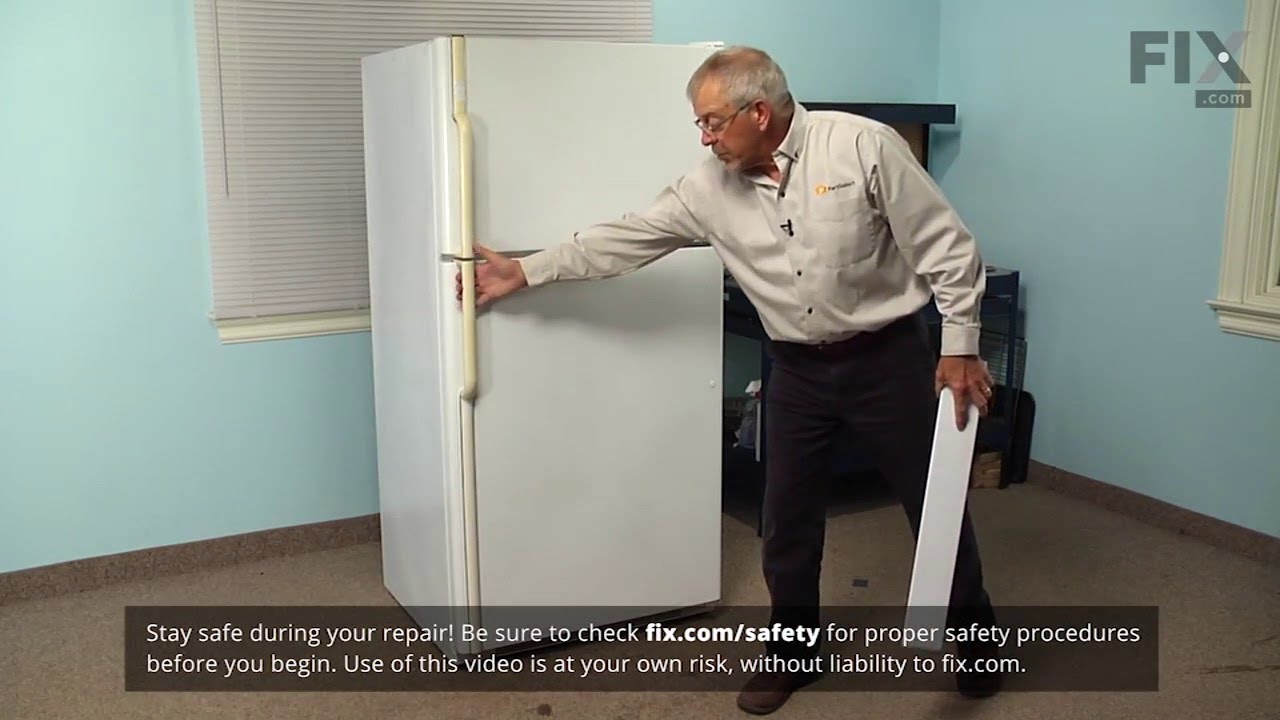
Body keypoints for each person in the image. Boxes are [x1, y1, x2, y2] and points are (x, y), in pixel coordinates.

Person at [457, 45, 1002, 715]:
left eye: (712, 123)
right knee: (788, 523)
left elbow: (947, 248)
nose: (705, 137)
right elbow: (629, 237)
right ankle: (794, 655)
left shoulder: (863, 146)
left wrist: (961, 345)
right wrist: (528, 269)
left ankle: (978, 642)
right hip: (797, 371)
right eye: (701, 125)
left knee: (935, 507)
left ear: (761, 112)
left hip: (886, 360)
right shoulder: (705, 187)